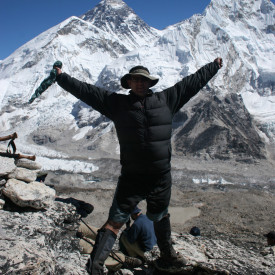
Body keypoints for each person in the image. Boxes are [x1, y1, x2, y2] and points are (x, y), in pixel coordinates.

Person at [54, 57, 223, 274]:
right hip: (132, 177)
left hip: (160, 177)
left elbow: (192, 83)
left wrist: (213, 66)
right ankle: (95, 267)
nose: (139, 83)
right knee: (115, 222)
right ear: (129, 84)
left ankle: (167, 256)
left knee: (160, 215)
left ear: (150, 83)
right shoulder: (117, 104)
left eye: (143, 80)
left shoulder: (167, 99)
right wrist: (61, 78)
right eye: (135, 80)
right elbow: (86, 91)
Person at [77, 221, 143, 272]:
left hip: (72, 226)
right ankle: (120, 261)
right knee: (93, 250)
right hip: (69, 239)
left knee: (101, 235)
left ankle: (118, 258)